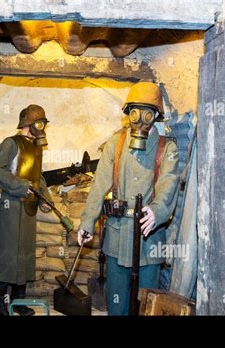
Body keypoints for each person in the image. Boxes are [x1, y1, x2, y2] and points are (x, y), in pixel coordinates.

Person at [77, 82, 180, 315]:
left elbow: (169, 183)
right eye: (135, 111)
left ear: (155, 115)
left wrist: (157, 210)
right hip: (117, 236)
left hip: (148, 238)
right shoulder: (115, 144)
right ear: (128, 113)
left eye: (147, 112)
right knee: (117, 304)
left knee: (146, 305)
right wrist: (87, 221)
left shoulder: (167, 148)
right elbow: (99, 184)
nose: (140, 119)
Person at [0, 104, 52, 316]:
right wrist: (19, 186)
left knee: (24, 257)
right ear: (30, 125)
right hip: (12, 207)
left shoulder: (36, 147)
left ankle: (18, 301)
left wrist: (46, 198)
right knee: (6, 257)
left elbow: (37, 177)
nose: (43, 128)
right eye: (40, 123)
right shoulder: (11, 143)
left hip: (29, 209)